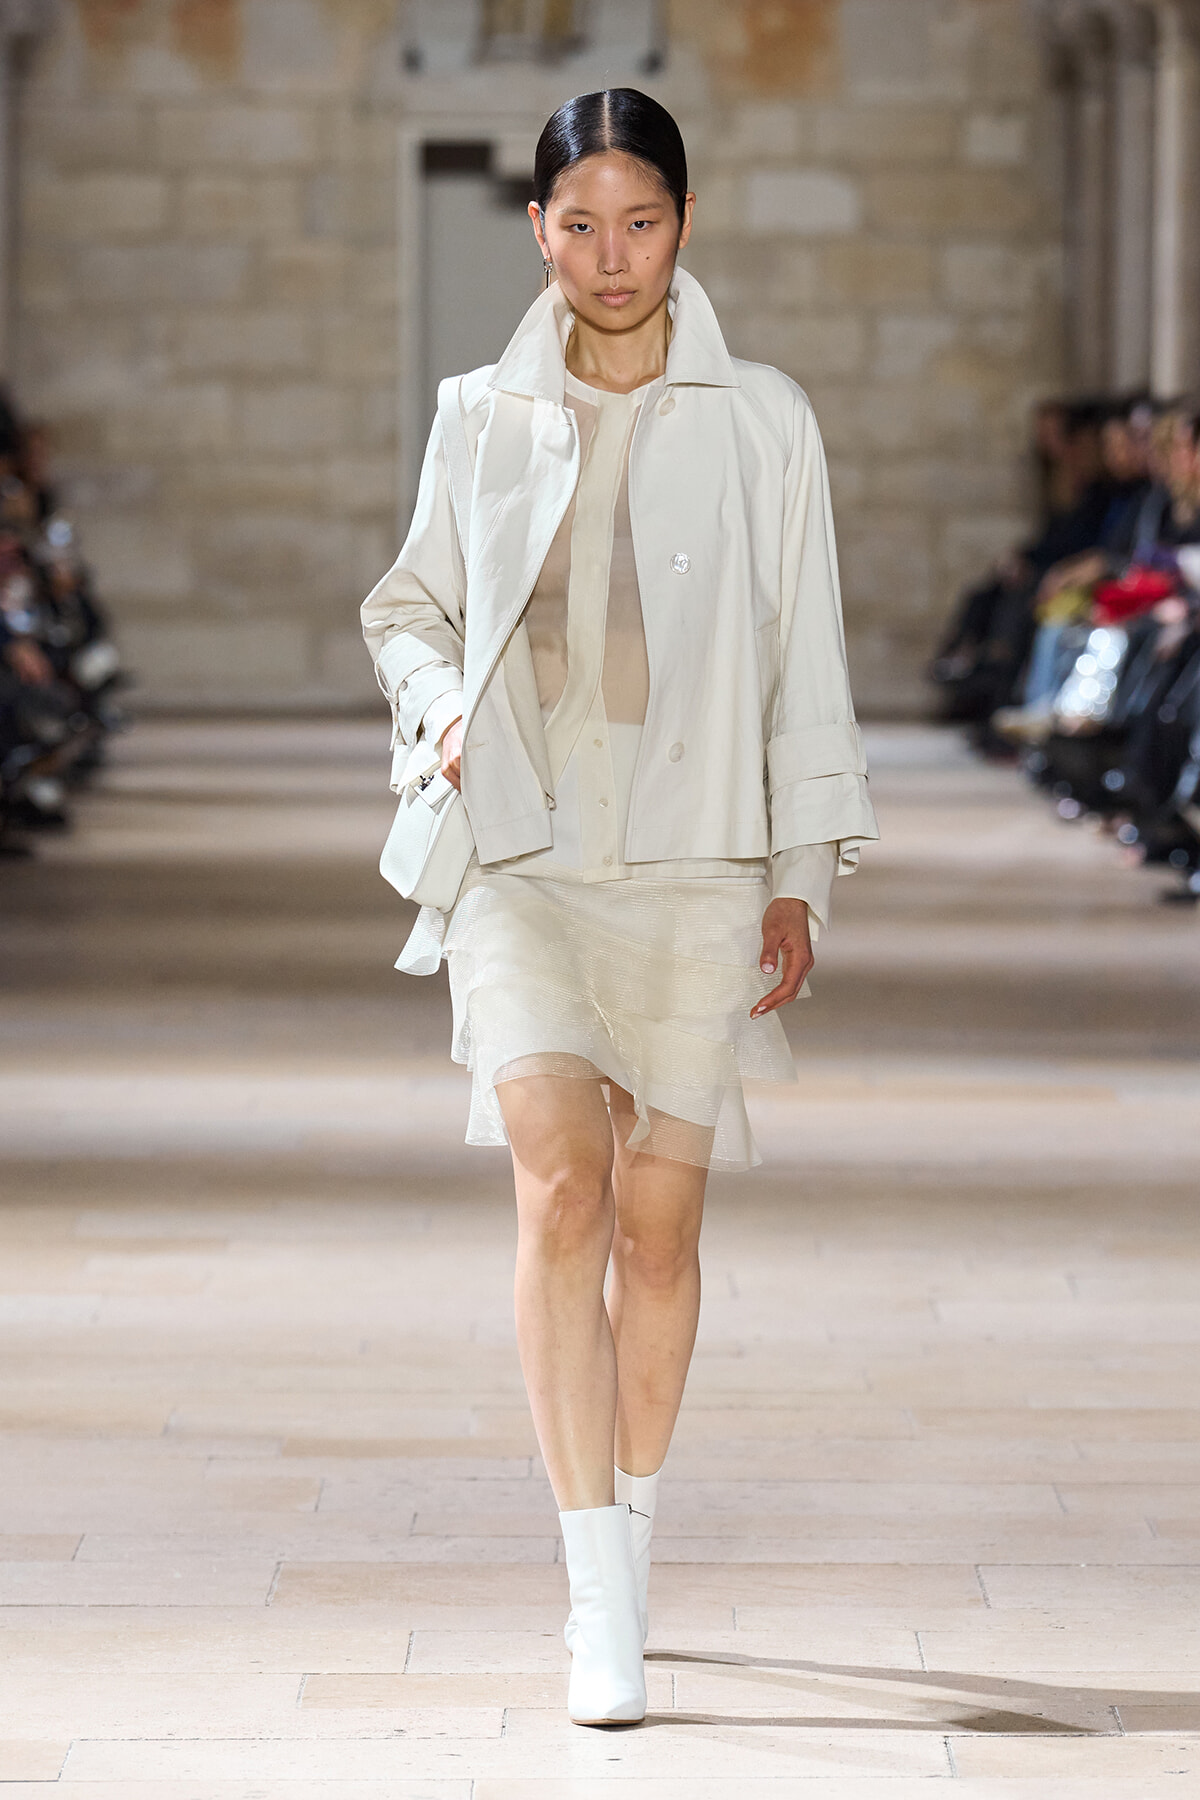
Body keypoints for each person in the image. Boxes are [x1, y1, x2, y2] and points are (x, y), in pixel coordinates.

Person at [361, 88, 877, 1727]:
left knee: (660, 1235)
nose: (607, 254)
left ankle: (636, 1534)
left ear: (685, 221)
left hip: (701, 860)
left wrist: (801, 874)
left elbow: (809, 657)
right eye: (576, 223)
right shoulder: (475, 414)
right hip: (521, 845)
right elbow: (408, 605)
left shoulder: (766, 420)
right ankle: (597, 1592)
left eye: (637, 220)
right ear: (534, 231)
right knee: (560, 1198)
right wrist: (440, 703)